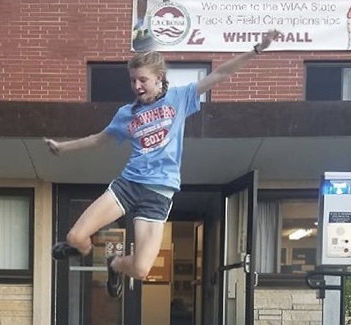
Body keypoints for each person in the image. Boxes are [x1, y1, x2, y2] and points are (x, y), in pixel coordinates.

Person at [45, 29, 278, 299]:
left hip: (159, 192)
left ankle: (115, 265)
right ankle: (80, 250)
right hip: (128, 184)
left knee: (142, 269)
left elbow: (220, 75)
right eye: (133, 81)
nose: (137, 86)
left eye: (143, 80)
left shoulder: (179, 98)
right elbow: (99, 139)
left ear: (159, 78)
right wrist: (63, 147)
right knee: (75, 237)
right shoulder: (126, 114)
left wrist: (257, 50)